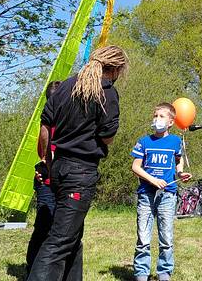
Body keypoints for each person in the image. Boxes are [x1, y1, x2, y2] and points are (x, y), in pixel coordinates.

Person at [27, 45, 129, 281]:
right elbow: (107, 136)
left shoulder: (64, 88)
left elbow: (45, 129)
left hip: (59, 168)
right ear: (114, 68)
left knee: (72, 238)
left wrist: (46, 159)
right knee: (59, 241)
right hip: (80, 173)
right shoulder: (106, 92)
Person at [131, 102, 192, 281]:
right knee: (143, 236)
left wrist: (180, 173)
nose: (157, 119)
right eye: (155, 116)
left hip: (168, 194)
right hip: (146, 194)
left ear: (171, 122)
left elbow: (178, 160)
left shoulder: (175, 141)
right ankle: (141, 273)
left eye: (161, 116)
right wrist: (153, 180)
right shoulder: (144, 141)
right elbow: (135, 166)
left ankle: (164, 272)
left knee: (166, 236)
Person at [25, 80, 61, 276]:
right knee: (43, 226)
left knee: (58, 228)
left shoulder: (67, 121)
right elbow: (46, 153)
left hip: (62, 181)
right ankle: (32, 269)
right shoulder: (47, 123)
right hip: (46, 182)